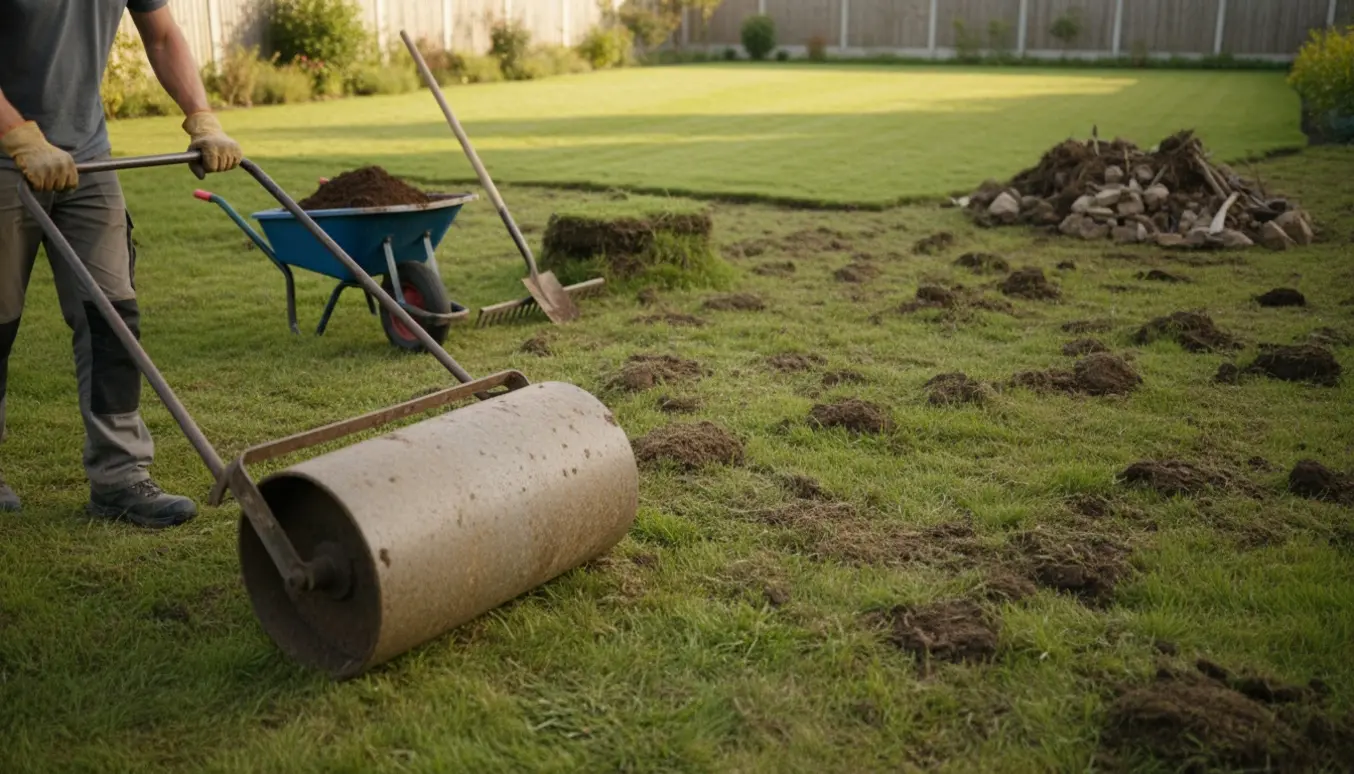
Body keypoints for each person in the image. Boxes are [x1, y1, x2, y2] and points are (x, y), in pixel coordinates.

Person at [0, 1, 242, 527]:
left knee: (112, 319)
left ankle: (119, 477)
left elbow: (161, 35)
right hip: (4, 158)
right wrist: (18, 134)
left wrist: (201, 117)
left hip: (88, 156)